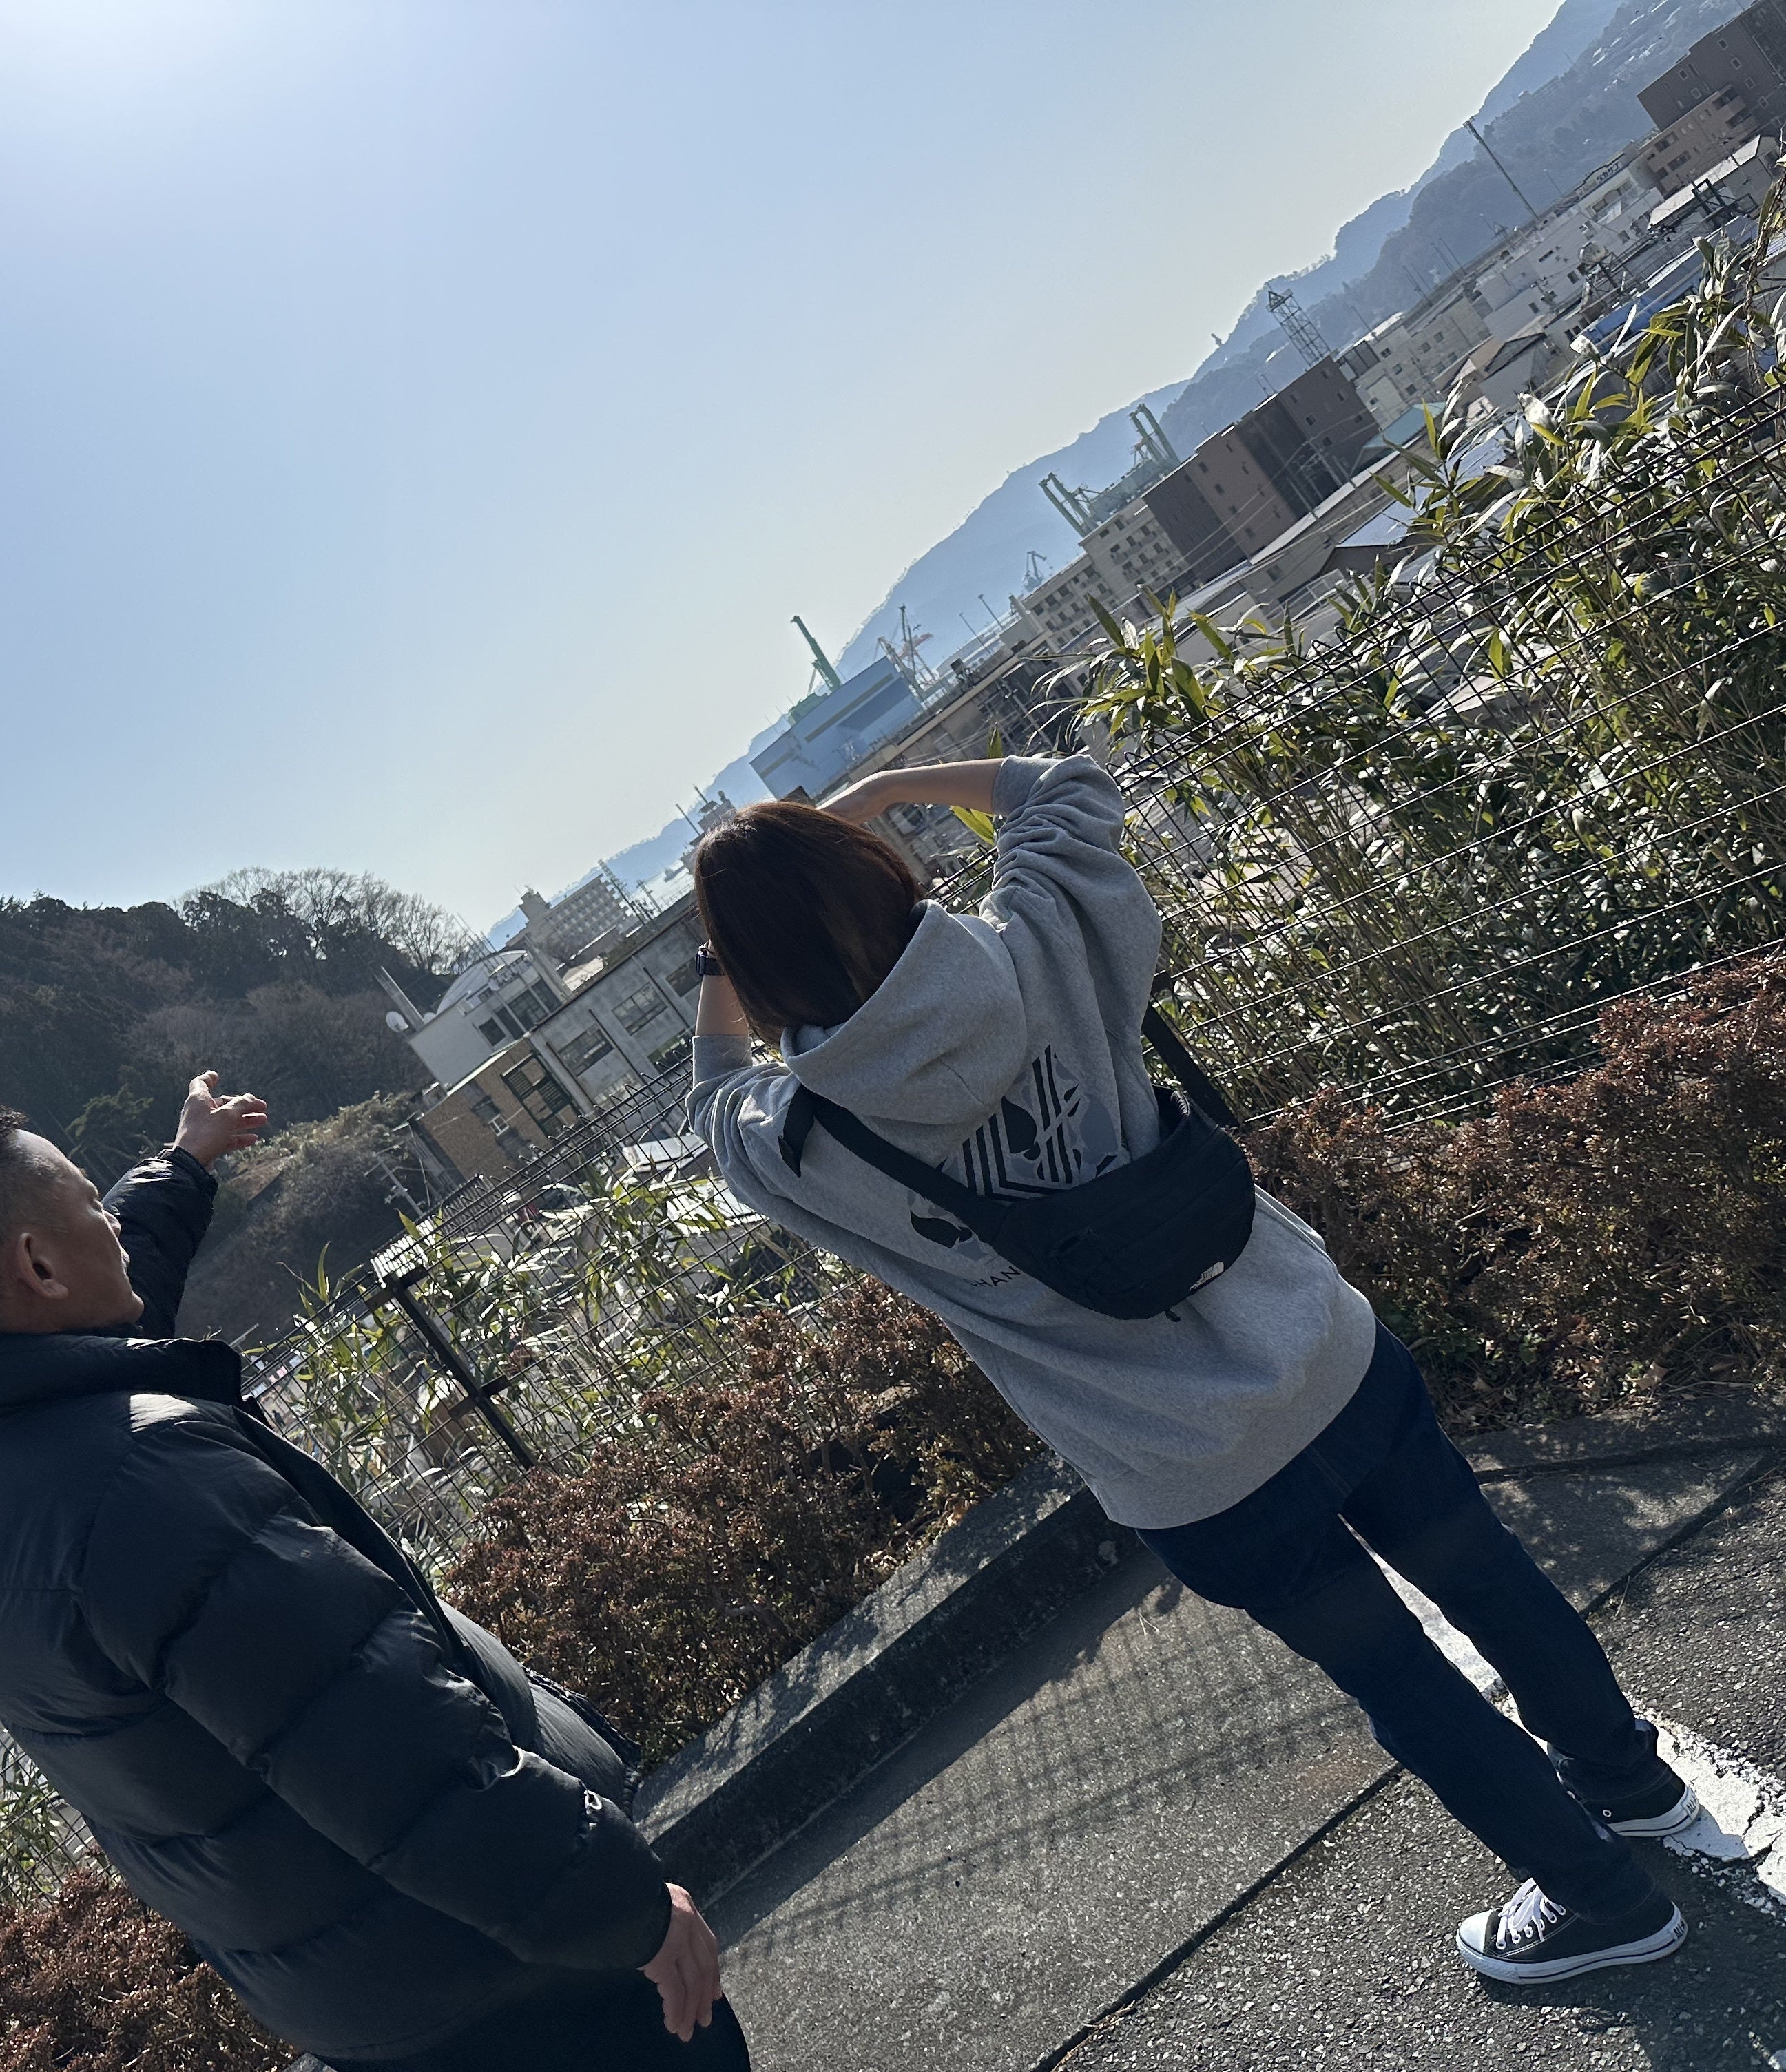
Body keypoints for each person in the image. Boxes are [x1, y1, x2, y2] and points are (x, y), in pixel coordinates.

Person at [686, 756, 1694, 1985]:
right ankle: (1637, 1789)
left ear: (757, 974)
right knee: (1483, 1570)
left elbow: (712, 1099)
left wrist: (720, 966)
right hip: (1319, 1350)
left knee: (1398, 1676)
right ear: (878, 870)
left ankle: (1602, 1902)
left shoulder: (800, 1143)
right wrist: (889, 790)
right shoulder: (1041, 942)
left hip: (1195, 1472)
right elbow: (1064, 789)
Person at [0, 1075, 747, 2072]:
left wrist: (183, 1166)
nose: (112, 1224)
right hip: (498, 1960)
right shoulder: (146, 1485)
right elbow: (394, 1751)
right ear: (39, 1265)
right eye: (91, 1202)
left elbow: (106, 1307)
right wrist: (621, 1910)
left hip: (343, 1978)